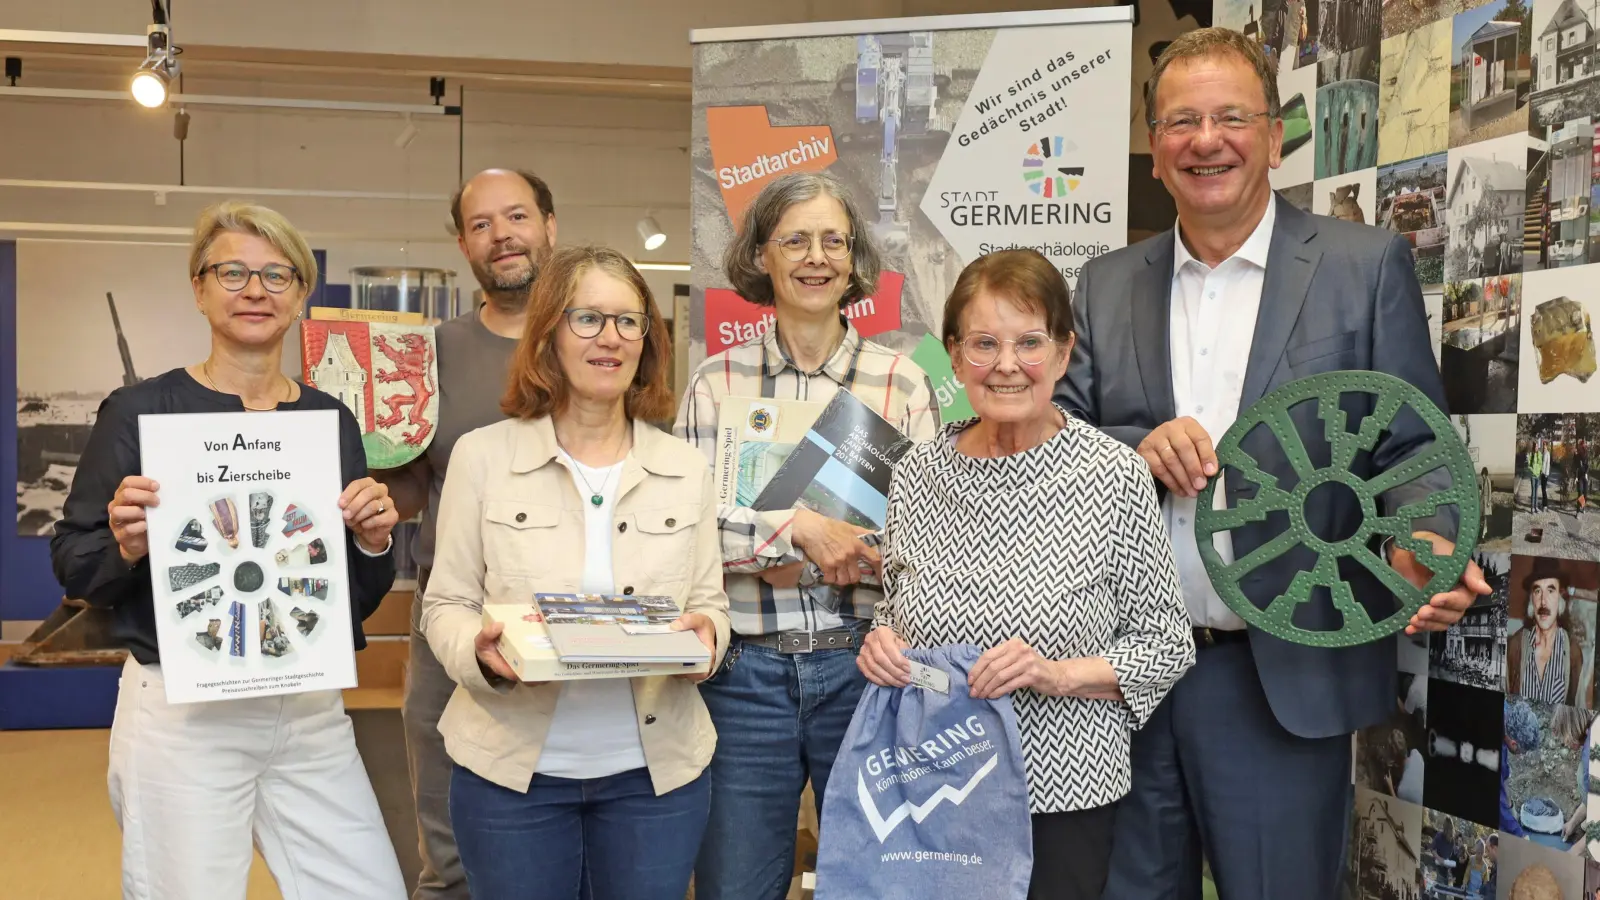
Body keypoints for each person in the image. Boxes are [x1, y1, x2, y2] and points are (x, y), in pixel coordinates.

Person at [1053, 28, 1488, 900]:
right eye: (1180, 121)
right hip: (1117, 679)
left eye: (1229, 117)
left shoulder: (1362, 267)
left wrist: (1427, 540)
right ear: (1154, 151)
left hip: (1276, 673)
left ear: (1276, 136)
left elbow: (1412, 443)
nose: (1204, 140)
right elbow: (1054, 444)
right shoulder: (1101, 284)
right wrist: (1131, 456)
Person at [49, 201, 406, 899]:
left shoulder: (328, 421)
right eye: (234, 271)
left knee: (368, 888)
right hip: (183, 711)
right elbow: (75, 562)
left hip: (306, 707)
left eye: (277, 275)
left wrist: (372, 541)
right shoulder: (140, 411)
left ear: (302, 296)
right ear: (200, 288)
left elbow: (348, 596)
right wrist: (124, 546)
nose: (254, 290)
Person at [857, 250, 1195, 900]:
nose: (1006, 364)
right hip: (935, 784)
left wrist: (1054, 673)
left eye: (1029, 342)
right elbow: (894, 609)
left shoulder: (1113, 475)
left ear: (1064, 355)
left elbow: (1165, 645)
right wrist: (883, 644)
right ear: (954, 358)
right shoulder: (917, 474)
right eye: (984, 343)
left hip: (1065, 797)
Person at [420, 245, 730, 900]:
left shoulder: (684, 468)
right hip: (510, 780)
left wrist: (707, 638)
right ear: (549, 333)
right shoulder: (483, 458)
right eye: (587, 319)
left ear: (647, 339)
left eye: (628, 321)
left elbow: (710, 604)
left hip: (655, 781)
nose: (609, 338)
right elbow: (444, 605)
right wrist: (478, 655)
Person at [673, 170, 939, 900]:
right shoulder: (715, 384)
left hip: (866, 671)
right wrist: (799, 532)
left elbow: (929, 547)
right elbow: (685, 534)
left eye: (833, 240)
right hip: (743, 679)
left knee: (877, 885)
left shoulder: (902, 386)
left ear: (854, 262)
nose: (816, 256)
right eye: (795, 239)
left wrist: (870, 554)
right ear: (762, 256)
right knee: (734, 885)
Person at [375, 167, 557, 900]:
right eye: (482, 224)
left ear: (551, 224)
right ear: (462, 244)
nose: (501, 235)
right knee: (445, 836)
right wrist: (375, 491)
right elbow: (417, 480)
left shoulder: (596, 339)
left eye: (516, 216)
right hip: (449, 613)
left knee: (562, 815)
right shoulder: (427, 353)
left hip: (568, 611)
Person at [1507, 557, 1588, 707]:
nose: (1543, 601)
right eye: (1537, 591)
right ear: (1531, 599)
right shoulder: (1515, 646)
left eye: (1550, 590)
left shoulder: (1573, 653)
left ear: (1560, 597)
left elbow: (1579, 708)